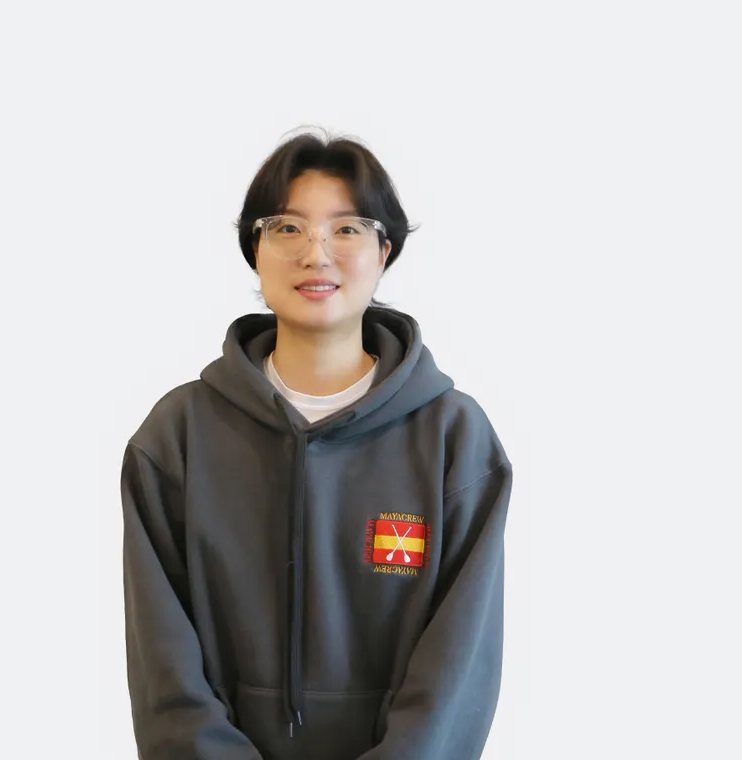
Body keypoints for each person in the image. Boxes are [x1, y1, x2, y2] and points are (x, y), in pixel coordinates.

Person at [120, 129, 513, 760]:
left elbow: (458, 672)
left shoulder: (455, 439)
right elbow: (163, 669)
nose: (316, 253)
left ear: (384, 251)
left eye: (347, 229)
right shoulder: (177, 437)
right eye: (287, 228)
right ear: (255, 249)